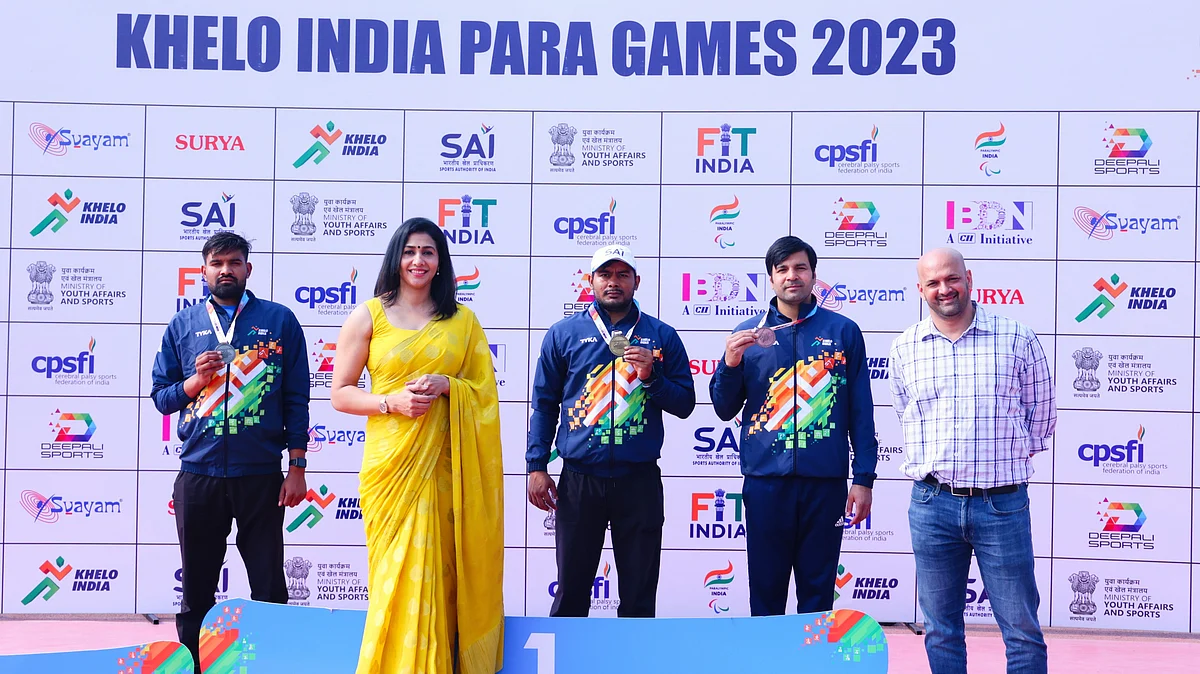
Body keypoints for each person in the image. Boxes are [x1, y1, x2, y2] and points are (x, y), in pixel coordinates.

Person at [331, 217, 504, 674]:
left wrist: (449, 384)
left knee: (442, 579)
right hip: (391, 471)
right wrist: (391, 402)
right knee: (394, 580)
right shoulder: (367, 315)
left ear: (441, 262)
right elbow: (341, 393)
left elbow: (483, 394)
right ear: (396, 258)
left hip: (447, 470)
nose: (418, 261)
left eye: (428, 252)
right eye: (409, 251)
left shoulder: (463, 322)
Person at [150, 231, 310, 672]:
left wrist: (296, 466)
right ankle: (197, 668)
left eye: (234, 263)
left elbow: (297, 398)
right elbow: (162, 398)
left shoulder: (279, 321)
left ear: (248, 269)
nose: (226, 270)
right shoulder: (183, 325)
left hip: (260, 474)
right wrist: (196, 382)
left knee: (270, 586)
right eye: (217, 263)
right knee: (197, 590)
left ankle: (273, 664)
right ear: (203, 272)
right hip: (198, 474)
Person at [888, 248, 1053, 674]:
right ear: (920, 289)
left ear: (969, 278)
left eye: (952, 278)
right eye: (933, 283)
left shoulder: (1016, 337)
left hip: (1002, 505)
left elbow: (1041, 417)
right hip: (931, 505)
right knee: (941, 628)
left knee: (1020, 627)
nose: (945, 289)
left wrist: (999, 461)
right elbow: (905, 409)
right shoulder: (906, 347)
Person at [709, 235, 877, 616]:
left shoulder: (843, 331)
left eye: (800, 267)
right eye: (782, 269)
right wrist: (730, 363)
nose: (792, 276)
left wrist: (864, 477)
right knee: (765, 592)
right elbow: (722, 407)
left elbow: (861, 411)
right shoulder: (749, 334)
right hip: (766, 483)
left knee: (818, 595)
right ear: (770, 278)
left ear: (814, 274)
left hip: (825, 483)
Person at [527, 244, 695, 618]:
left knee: (638, 598)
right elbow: (544, 405)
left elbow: (684, 404)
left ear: (637, 281)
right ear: (591, 281)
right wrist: (536, 466)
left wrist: (652, 377)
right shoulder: (564, 334)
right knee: (570, 594)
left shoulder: (661, 336)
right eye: (605, 274)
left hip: (639, 481)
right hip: (579, 480)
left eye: (622, 274)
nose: (614, 282)